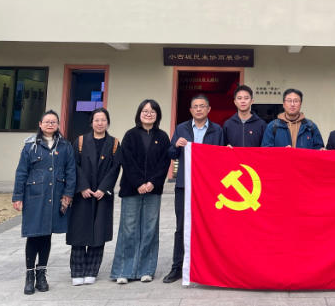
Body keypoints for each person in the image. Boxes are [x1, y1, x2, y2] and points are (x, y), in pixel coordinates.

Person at [12, 110, 76, 295]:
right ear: (40, 124)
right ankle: (29, 275)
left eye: (53, 122)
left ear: (58, 125)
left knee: (47, 235)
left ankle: (42, 274)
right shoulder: (30, 146)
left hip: (55, 197)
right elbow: (21, 172)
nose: (50, 124)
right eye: (47, 121)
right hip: (34, 197)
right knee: (34, 235)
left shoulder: (65, 146)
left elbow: (71, 171)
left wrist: (68, 194)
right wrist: (17, 196)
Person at [163, 94, 224, 283]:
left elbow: (221, 157)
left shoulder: (217, 130)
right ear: (190, 110)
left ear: (209, 109)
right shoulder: (181, 128)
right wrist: (176, 145)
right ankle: (177, 267)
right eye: (195, 106)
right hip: (184, 185)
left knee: (209, 226)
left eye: (202, 106)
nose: (198, 109)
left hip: (208, 187)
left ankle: (209, 267)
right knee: (181, 226)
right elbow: (170, 153)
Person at [110, 99, 170, 284]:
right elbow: (127, 161)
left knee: (150, 229)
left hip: (153, 190)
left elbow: (164, 162)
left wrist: (152, 182)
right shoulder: (130, 135)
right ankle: (123, 271)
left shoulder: (163, 136)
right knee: (129, 228)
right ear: (139, 114)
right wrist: (138, 183)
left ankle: (146, 270)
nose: (148, 114)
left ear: (157, 115)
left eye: (152, 111)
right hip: (131, 189)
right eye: (145, 111)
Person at [66, 107, 121, 286]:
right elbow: (74, 165)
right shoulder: (80, 141)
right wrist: (82, 187)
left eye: (103, 120)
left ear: (108, 123)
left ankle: (91, 270)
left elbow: (115, 168)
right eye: (97, 120)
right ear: (91, 122)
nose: (100, 123)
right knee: (79, 232)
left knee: (98, 233)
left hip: (102, 195)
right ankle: (77, 271)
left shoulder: (114, 143)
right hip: (83, 194)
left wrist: (104, 189)